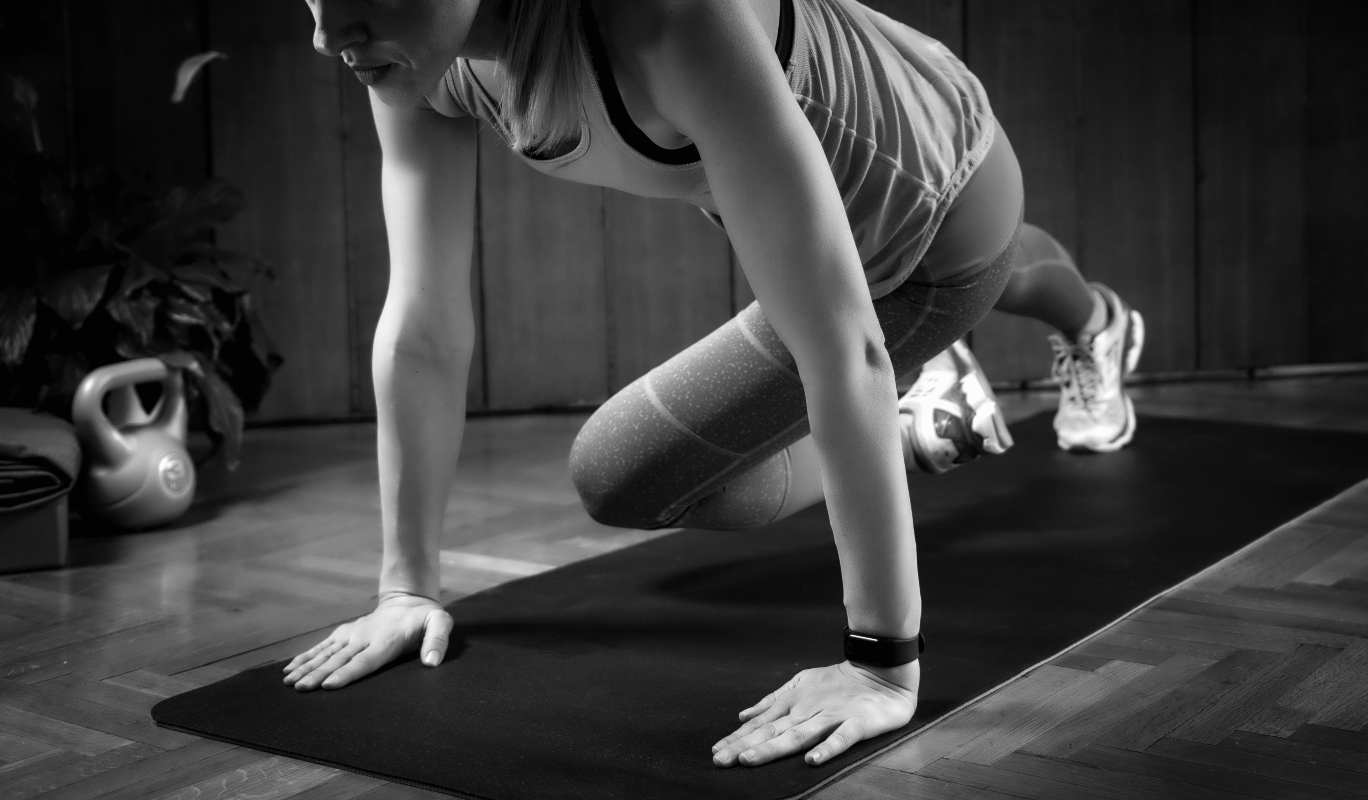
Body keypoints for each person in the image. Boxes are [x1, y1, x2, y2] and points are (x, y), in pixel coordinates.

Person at [280, 0, 1144, 770]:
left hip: (938, 221)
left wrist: (880, 663)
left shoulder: (668, 16)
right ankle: (944, 401)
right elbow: (423, 324)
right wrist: (406, 589)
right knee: (638, 475)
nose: (327, 33)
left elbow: (844, 350)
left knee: (979, 277)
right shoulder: (415, 54)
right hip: (846, 223)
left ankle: (1063, 332)